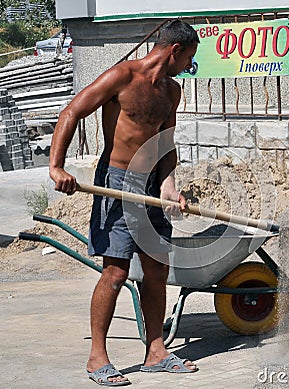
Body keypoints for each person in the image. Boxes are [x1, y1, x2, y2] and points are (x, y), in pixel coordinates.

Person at [49, 19, 199, 386]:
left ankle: (156, 351)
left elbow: (166, 143)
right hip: (117, 181)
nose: (190, 67)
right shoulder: (121, 77)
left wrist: (168, 185)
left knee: (156, 270)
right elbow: (71, 112)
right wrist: (56, 167)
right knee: (116, 271)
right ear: (174, 51)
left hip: (149, 186)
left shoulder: (172, 92)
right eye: (189, 58)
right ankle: (97, 357)